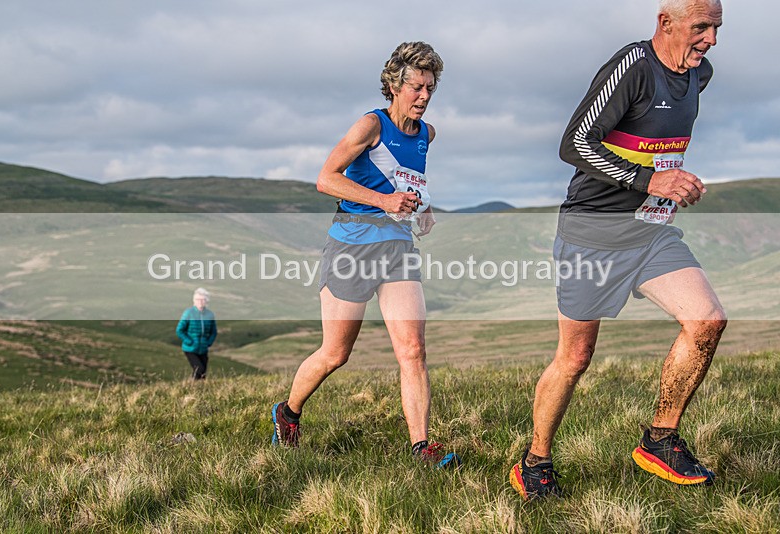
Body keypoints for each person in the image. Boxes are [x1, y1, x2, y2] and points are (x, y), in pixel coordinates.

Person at [509, 0, 726, 500]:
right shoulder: (633, 65)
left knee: (707, 321)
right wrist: (651, 178)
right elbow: (574, 143)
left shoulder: (700, 73)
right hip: (593, 234)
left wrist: (670, 183)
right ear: (664, 23)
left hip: (650, 234)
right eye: (700, 28)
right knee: (576, 357)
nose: (711, 40)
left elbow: (658, 140)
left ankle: (660, 438)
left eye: (716, 28)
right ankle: (535, 460)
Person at [270, 41, 459, 468]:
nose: (424, 97)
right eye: (416, 87)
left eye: (431, 88)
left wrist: (422, 209)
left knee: (412, 348)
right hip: (351, 244)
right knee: (336, 353)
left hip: (397, 246)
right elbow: (325, 179)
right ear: (394, 85)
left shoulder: (427, 135)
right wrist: (384, 201)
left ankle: (421, 449)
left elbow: (406, 181)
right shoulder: (370, 126)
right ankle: (289, 412)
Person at [176, 287, 218, 381]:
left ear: (207, 301)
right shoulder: (188, 313)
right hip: (190, 348)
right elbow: (180, 330)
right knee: (200, 369)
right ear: (194, 301)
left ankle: (196, 389)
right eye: (198, 299)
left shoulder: (209, 314)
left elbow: (213, 331)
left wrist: (208, 342)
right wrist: (189, 341)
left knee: (202, 375)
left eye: (203, 299)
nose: (200, 302)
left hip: (203, 348)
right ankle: (192, 387)